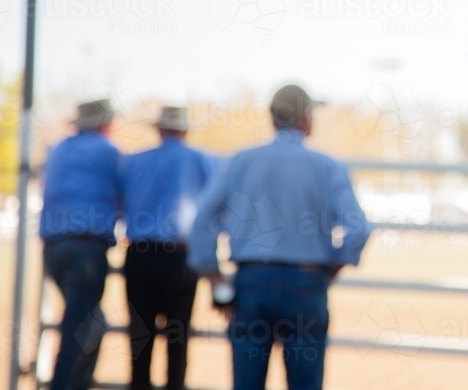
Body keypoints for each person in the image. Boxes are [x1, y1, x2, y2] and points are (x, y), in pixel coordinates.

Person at [188, 85, 371, 390]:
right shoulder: (327, 166)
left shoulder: (239, 161)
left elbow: (201, 221)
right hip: (306, 282)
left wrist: (215, 279)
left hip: (250, 282)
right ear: (303, 117)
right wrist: (330, 270)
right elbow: (359, 229)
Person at [122, 106, 214, 390]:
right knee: (178, 337)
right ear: (185, 130)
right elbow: (215, 204)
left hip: (139, 255)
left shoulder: (133, 163)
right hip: (178, 256)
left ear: (158, 129)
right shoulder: (199, 160)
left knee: (140, 336)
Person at [39, 99, 122, 390]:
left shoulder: (58, 149)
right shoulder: (108, 151)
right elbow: (125, 195)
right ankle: (64, 385)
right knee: (80, 325)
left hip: (53, 247)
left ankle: (78, 382)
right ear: (105, 123)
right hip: (86, 247)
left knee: (92, 322)